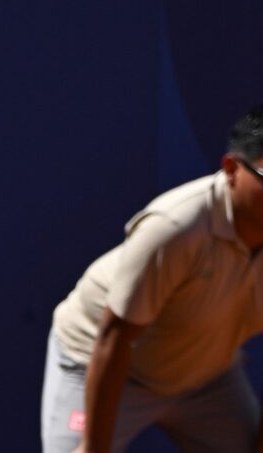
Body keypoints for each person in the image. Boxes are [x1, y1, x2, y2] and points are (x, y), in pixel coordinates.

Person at [42, 105, 263, 452]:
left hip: (207, 377)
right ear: (232, 169)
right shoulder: (176, 227)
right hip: (101, 363)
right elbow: (113, 340)